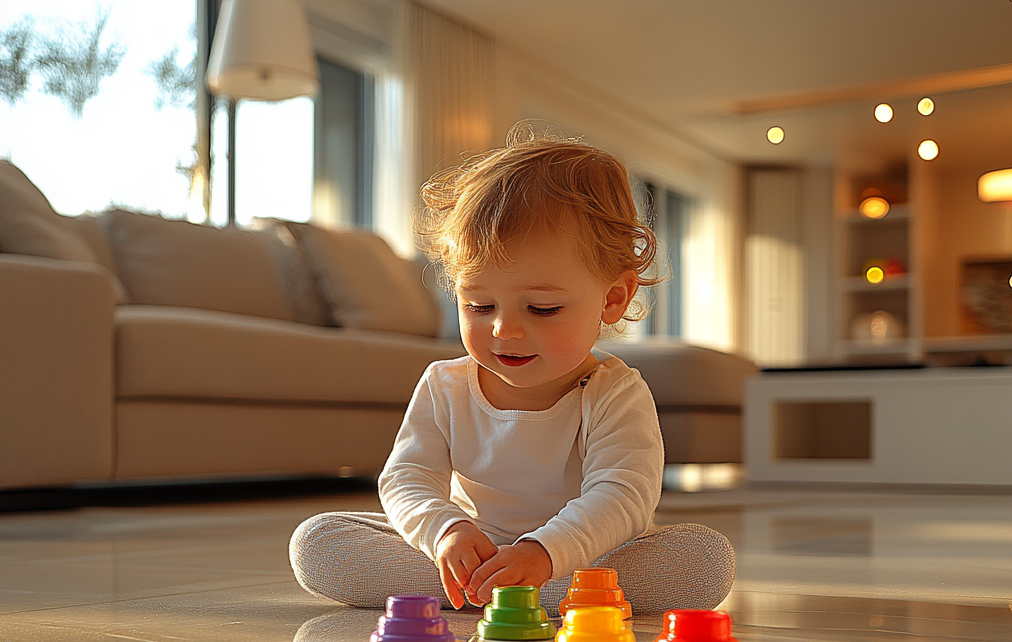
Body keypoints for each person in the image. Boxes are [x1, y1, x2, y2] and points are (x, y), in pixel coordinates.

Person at [290, 124, 734, 614]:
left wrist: (543, 553)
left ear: (612, 298)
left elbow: (623, 496)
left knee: (703, 559)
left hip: (582, 554)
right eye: (478, 305)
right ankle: (513, 595)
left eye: (541, 309)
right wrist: (446, 531)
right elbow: (407, 478)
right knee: (318, 541)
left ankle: (514, 594)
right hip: (472, 551)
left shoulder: (614, 391)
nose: (503, 331)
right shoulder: (445, 385)